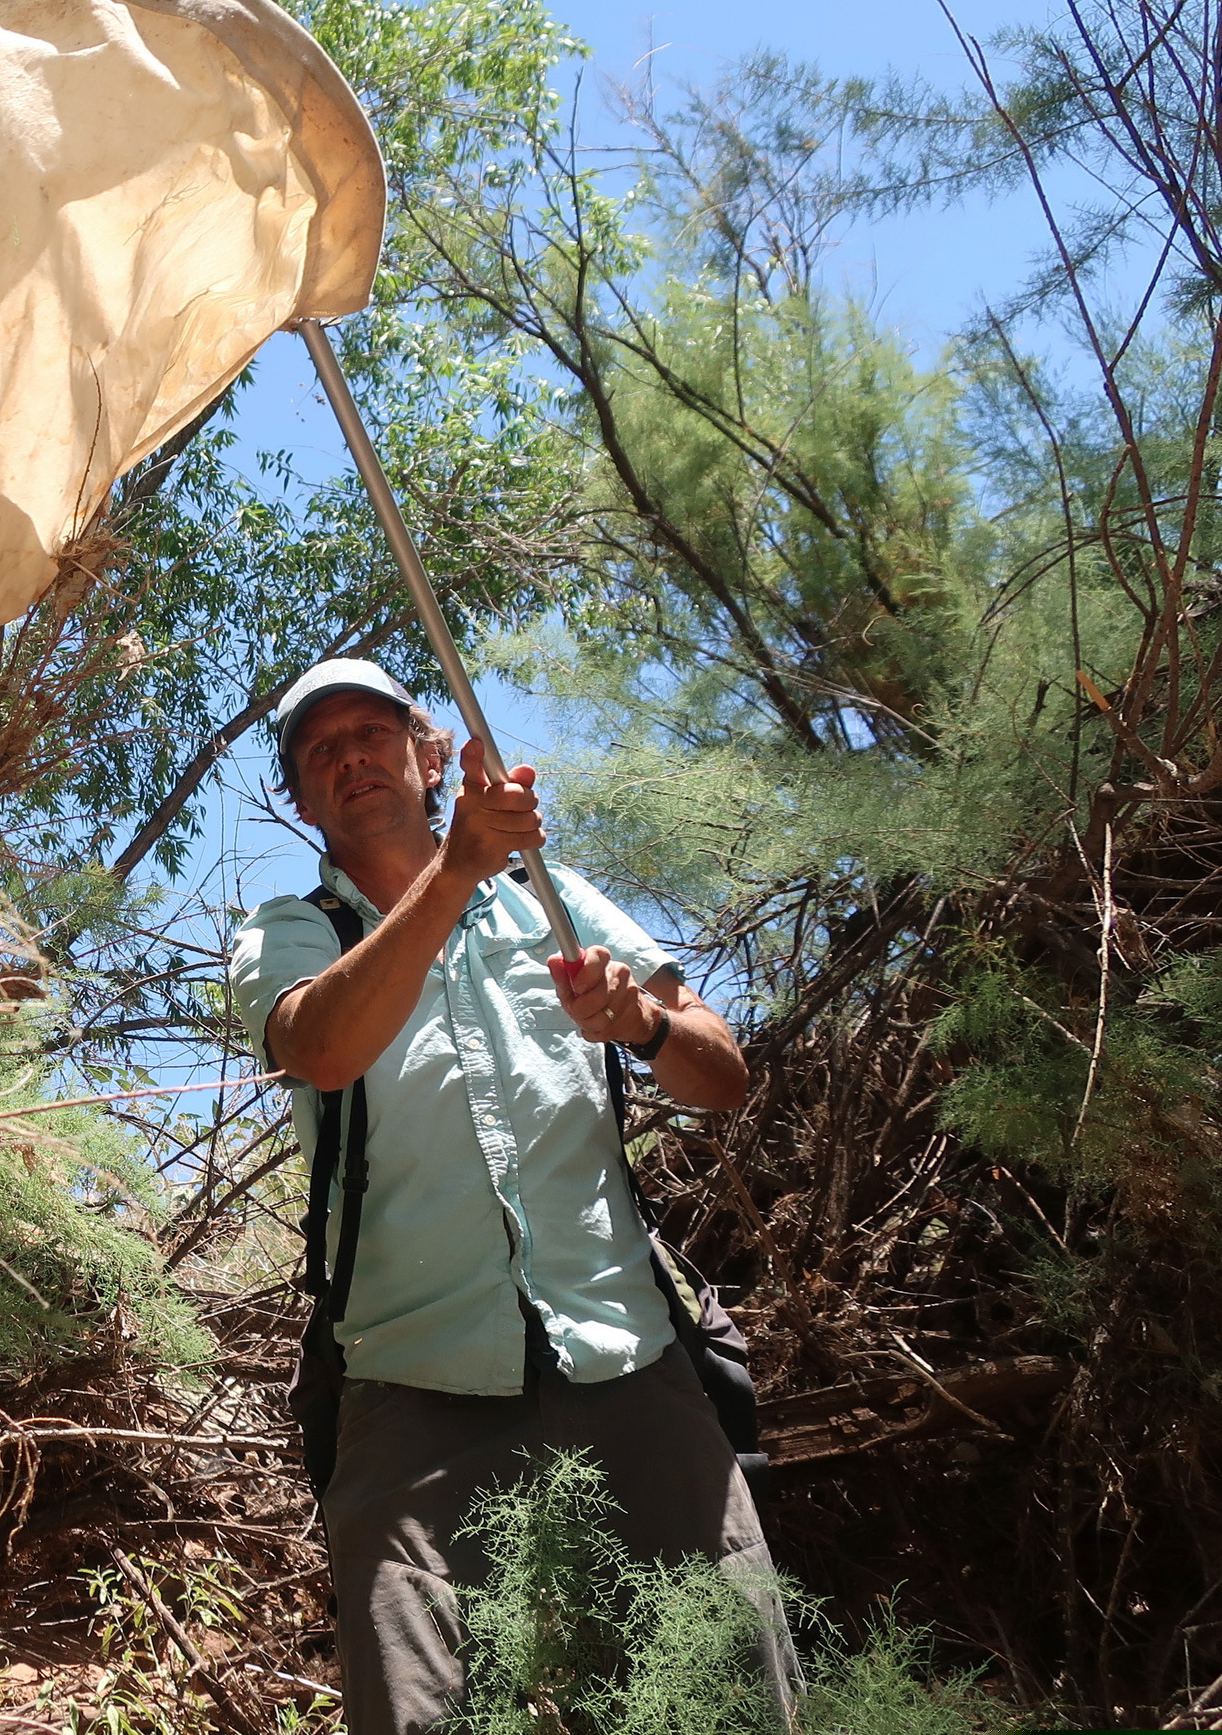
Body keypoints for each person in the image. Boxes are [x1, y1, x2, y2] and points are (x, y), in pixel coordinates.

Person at [228, 658, 795, 1735]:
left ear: (428, 753)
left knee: (727, 1689)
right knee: (416, 1708)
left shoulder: (551, 897)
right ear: (299, 799)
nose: (348, 754)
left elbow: (718, 1072)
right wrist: (450, 872)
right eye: (317, 748)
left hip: (624, 1347)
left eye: (372, 729)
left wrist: (642, 1027)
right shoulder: (289, 931)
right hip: (408, 1373)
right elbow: (321, 1047)